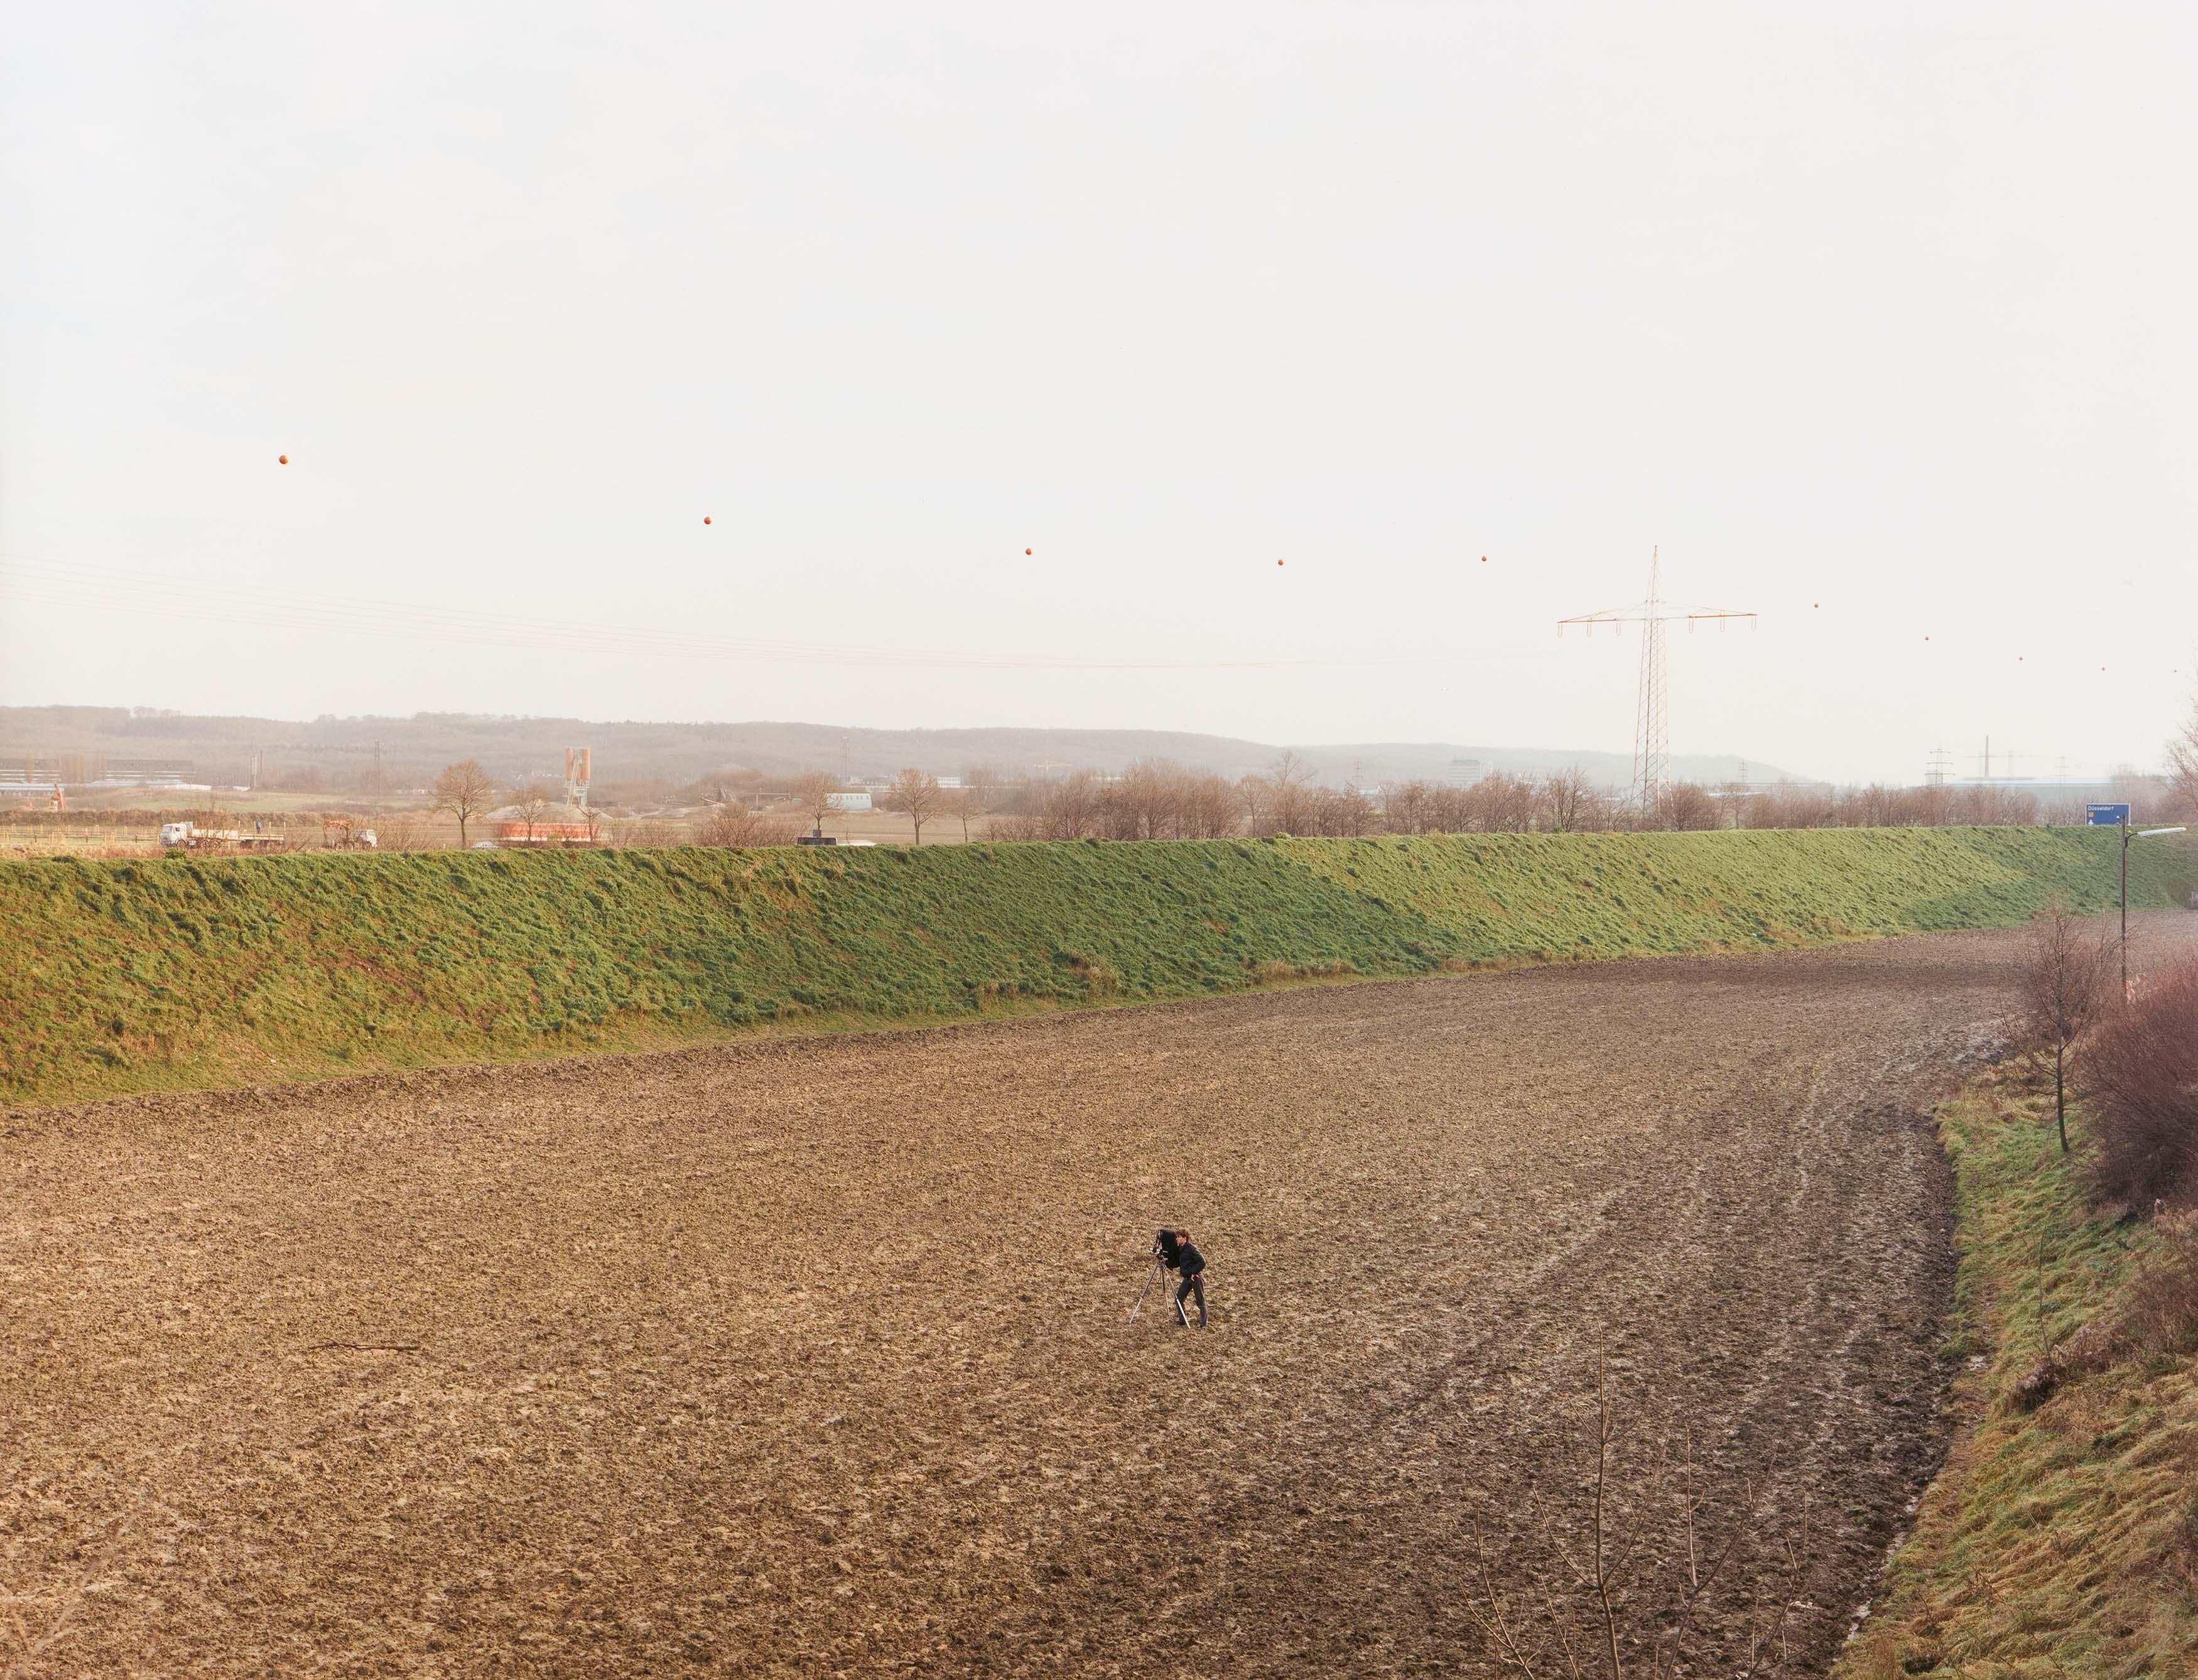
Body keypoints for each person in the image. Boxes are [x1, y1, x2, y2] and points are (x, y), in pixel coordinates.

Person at [1155, 1228, 1207, 1328]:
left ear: (1185, 1238)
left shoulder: (1192, 1249)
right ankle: (1182, 1320)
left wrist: (1194, 1272)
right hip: (1187, 1278)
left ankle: (1203, 1323)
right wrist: (1166, 1262)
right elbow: (1177, 1263)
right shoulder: (1181, 1250)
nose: (1177, 1239)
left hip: (1195, 1278)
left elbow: (1202, 1262)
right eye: (1177, 1237)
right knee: (1179, 1298)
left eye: (1179, 1237)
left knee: (1200, 1300)